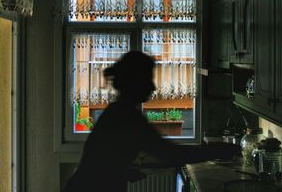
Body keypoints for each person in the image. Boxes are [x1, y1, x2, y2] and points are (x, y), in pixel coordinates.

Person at [62, 51, 240, 192]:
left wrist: (122, 170)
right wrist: (218, 150)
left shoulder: (118, 111)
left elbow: (101, 159)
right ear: (134, 83)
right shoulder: (127, 117)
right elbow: (171, 154)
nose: (153, 86)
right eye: (148, 79)